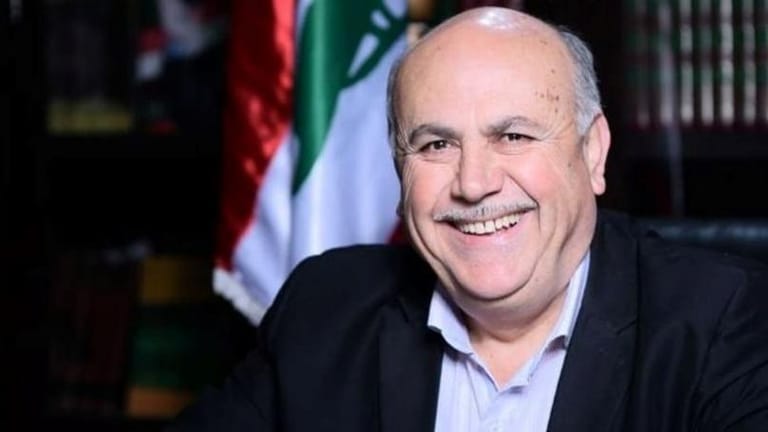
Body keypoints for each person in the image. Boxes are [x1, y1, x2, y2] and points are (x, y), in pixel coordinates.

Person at [170, 7, 768, 431]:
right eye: (436, 145)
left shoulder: (725, 322)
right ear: (398, 171)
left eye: (513, 136)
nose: (474, 183)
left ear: (592, 153)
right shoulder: (326, 309)